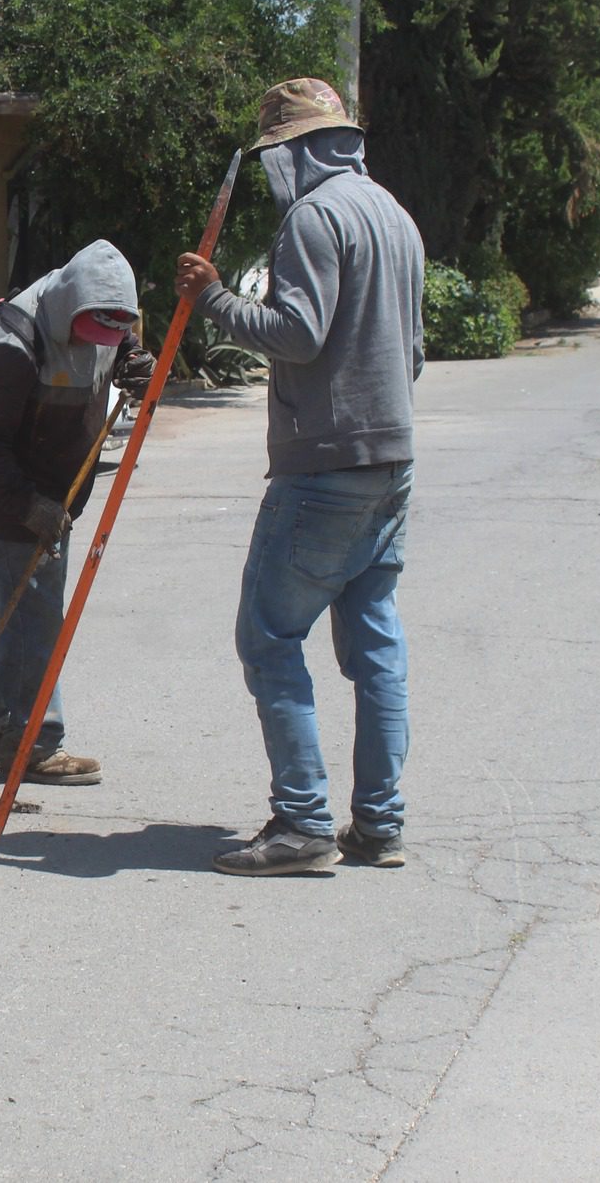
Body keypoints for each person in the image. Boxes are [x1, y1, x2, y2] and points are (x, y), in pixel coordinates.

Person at [174, 78, 425, 876]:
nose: (274, 173)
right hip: (391, 460)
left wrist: (210, 298)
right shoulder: (393, 214)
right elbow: (411, 349)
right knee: (374, 642)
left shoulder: (314, 217)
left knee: (268, 635)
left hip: (326, 465)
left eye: (275, 157)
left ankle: (304, 821)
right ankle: (378, 825)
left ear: (296, 151)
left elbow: (299, 333)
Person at [0, 239, 155, 785]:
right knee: (35, 616)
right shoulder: (11, 347)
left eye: (119, 328)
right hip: (5, 501)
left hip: (55, 495)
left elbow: (120, 337)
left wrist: (133, 361)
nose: (109, 339)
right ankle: (35, 742)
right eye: (102, 328)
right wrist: (28, 507)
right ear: (71, 308)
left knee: (12, 606)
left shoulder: (99, 314)